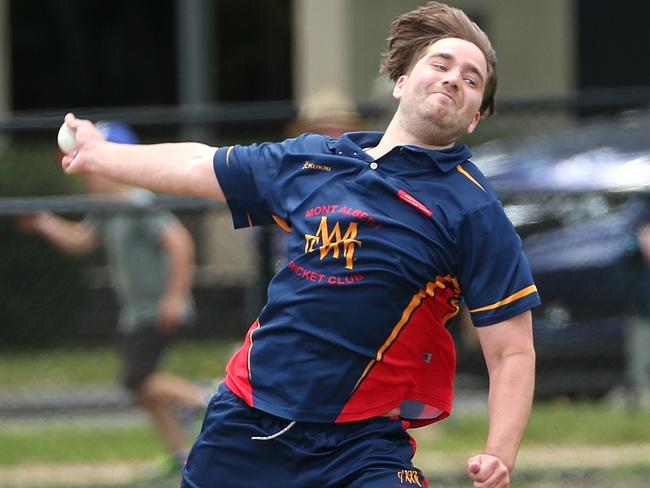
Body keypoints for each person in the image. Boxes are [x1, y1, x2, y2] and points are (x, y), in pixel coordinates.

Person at [58, 3, 539, 487]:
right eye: (440, 64)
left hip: (362, 444)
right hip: (247, 421)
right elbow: (197, 164)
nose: (454, 78)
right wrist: (102, 155)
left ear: (475, 117)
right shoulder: (315, 160)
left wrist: (500, 453)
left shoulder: (474, 211)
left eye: (472, 79)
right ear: (401, 81)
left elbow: (512, 351)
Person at [21, 122, 207, 472]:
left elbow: (179, 242)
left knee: (137, 380)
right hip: (137, 312)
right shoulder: (105, 208)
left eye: (95, 163)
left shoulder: (137, 202)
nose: (87, 173)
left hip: (159, 307)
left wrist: (174, 297)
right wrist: (45, 222)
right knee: (141, 389)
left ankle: (206, 399)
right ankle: (182, 455)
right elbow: (82, 241)